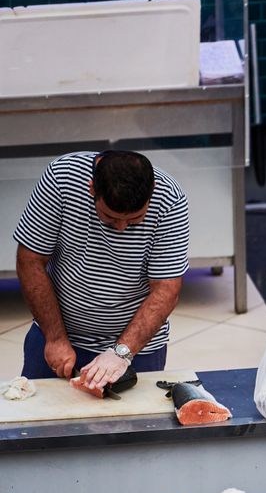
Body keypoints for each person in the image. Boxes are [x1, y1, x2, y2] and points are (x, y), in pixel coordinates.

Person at [14, 150, 189, 390]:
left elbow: (166, 289)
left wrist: (122, 353)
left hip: (137, 348)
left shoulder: (170, 199)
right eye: (110, 218)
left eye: (135, 220)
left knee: (134, 426)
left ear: (152, 190)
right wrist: (55, 337)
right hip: (55, 334)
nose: (121, 228)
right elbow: (30, 259)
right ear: (91, 189)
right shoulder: (61, 177)